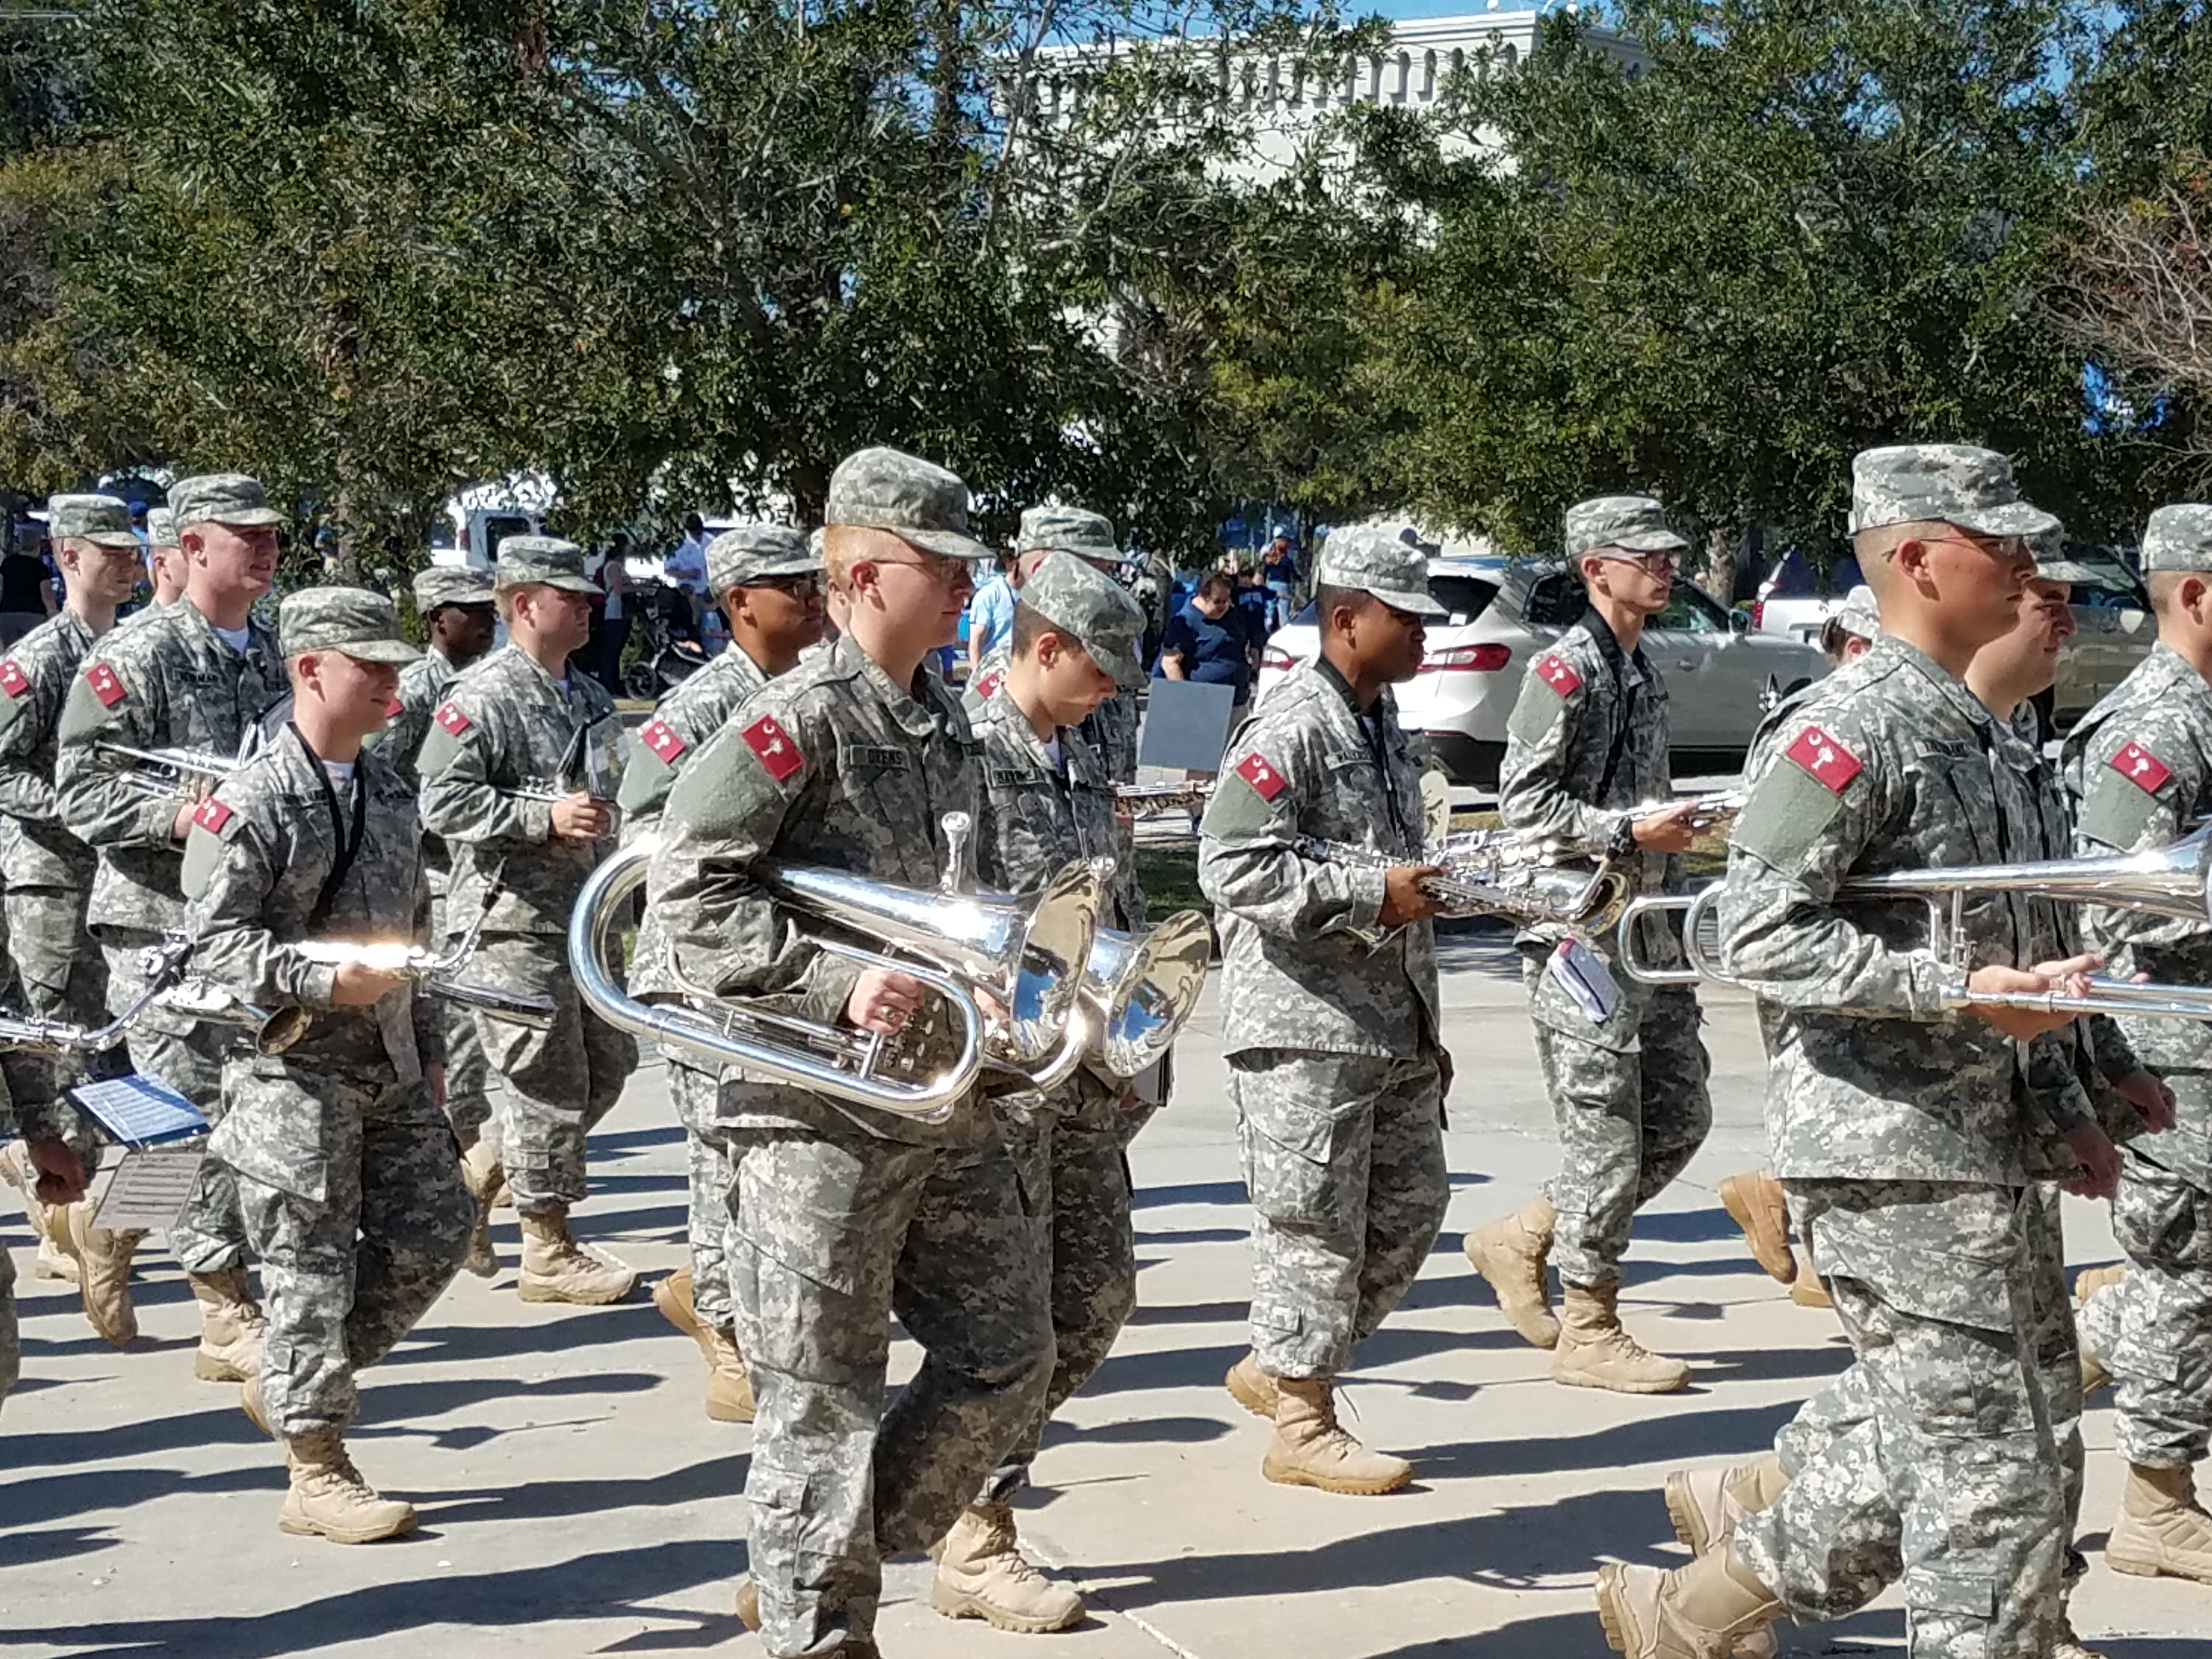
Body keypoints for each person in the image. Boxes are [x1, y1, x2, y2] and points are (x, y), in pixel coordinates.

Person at [1594, 444, 2099, 1659]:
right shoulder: (1848, 726)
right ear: (1918, 559)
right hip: (1891, 1154)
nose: (2026, 565)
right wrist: (1954, 994)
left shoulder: (1977, 732)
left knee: (2001, 1446)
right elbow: (1757, 928)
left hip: (1983, 1150)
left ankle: (1693, 1610)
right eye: (2000, 543)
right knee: (1988, 1489)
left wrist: (2077, 1096)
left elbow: (2008, 939)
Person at [651, 446, 1052, 1658]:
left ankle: (822, 1567)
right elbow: (686, 897)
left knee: (1007, 1357)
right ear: (868, 574)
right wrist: (835, 982)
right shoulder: (793, 722)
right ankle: (820, 1629)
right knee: (820, 1405)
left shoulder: (945, 718)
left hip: (932, 1096)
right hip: (808, 1115)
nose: (967, 588)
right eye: (944, 566)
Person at [182, 586, 472, 1542]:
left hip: (389, 1061)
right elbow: (211, 941)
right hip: (291, 1073)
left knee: (438, 1231)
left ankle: (295, 1379)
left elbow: (416, 935)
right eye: (370, 666)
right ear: (310, 669)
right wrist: (314, 977)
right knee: (306, 1269)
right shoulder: (253, 799)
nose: (393, 683)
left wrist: (429, 1051)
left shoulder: (390, 790)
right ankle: (316, 1466)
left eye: (395, 666)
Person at [1198, 523, 1451, 1497]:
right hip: (1303, 1024)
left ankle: (1282, 1363)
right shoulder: (1290, 725)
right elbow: (1230, 864)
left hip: (1389, 1021)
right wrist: (1369, 892)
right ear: (1346, 620)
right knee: (1313, 1228)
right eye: (1405, 616)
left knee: (1412, 1210)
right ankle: (1303, 1421)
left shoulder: (1380, 723)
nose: (1424, 632)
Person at [933, 552, 1152, 1632]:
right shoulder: (961, 748)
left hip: (1081, 1072)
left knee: (1097, 1299)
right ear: (1046, 646)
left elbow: (1112, 892)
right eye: (1098, 671)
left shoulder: (1082, 745)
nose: (1111, 693)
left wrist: (1138, 1021)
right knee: (1005, 1326)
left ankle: (938, 1493)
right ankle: (975, 1531)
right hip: (997, 1083)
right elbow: (927, 904)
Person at [1466, 494, 1711, 1393]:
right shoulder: (1565, 671)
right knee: (1605, 1129)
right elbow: (1525, 806)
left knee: (1678, 1117)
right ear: (1595, 569)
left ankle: (1526, 1233)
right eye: (1647, 557)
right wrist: (1628, 831)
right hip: (1581, 932)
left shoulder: (1638, 665)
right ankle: (1590, 1323)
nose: (1666, 569)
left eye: (1670, 556)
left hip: (1646, 929)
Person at [56, 472, 291, 1385]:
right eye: (245, 535)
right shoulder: (139, 653)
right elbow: (81, 790)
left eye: (271, 535)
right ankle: (225, 1310)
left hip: (248, 926)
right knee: (190, 1122)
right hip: (156, 926)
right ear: (191, 546)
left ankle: (113, 1222)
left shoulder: (276, 653)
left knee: (240, 1115)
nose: (265, 549)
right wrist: (179, 818)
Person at [618, 523, 825, 1424]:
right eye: (793, 588)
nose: (813, 601)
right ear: (740, 602)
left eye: (817, 586)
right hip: (703, 968)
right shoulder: (700, 708)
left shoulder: (821, 692)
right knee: (722, 1153)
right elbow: (641, 831)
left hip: (792, 963)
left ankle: (729, 1295)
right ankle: (729, 1336)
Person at [416, 534, 637, 1305]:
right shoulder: (479, 697)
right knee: (546, 1082)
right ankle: (546, 1246)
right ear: (523, 605)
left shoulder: (588, 696)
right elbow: (440, 801)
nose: (588, 608)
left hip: (585, 917)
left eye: (588, 597)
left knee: (610, 1066)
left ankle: (479, 1173)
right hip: (510, 920)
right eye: (570, 597)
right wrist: (541, 816)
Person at [2064, 502, 2212, 1589]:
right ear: (2196, 595)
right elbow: (2106, 906)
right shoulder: (2157, 727)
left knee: (2181, 1277)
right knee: (2188, 1268)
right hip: (2170, 1049)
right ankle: (2157, 1504)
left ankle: (2082, 1348)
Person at [0, 494, 149, 1343]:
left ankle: (101, 1228)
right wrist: (80, 805)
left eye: (133, 552)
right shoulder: (37, 661)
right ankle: (74, 1211)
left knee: (139, 1074)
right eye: (108, 552)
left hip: (128, 886)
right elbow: (3, 768)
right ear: (65, 556)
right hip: (53, 882)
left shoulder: (138, 651)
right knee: (68, 1059)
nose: (126, 564)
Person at [368, 565, 499, 1275]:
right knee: (455, 1038)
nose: (485, 621)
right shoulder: (415, 689)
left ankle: (472, 1177)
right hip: (434, 877)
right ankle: (462, 1181)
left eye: (488, 610)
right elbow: (383, 779)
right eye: (470, 611)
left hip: (468, 874)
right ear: (437, 618)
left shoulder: (483, 682)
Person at [1159, 571, 1256, 721]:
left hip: (1237, 701)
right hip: (1205, 704)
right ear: (1203, 596)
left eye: (1226, 601)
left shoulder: (1232, 615)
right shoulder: (1185, 622)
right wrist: (1185, 700)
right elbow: (1170, 663)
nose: (1223, 606)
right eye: (1217, 601)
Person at [590, 534, 634, 695]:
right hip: (615, 612)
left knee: (616, 650)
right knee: (612, 649)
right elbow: (618, 589)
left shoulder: (616, 566)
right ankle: (607, 683)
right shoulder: (614, 566)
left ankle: (614, 683)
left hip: (619, 613)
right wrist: (639, 589)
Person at [967, 552, 1017, 680]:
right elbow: (975, 643)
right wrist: (977, 681)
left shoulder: (1038, 595)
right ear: (1008, 561)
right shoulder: (988, 596)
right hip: (993, 675)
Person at [0, 531, 57, 645]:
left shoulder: (7, 563)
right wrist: (53, 613)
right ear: (37, 547)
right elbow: (47, 594)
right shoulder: (40, 567)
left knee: (9, 649)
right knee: (33, 648)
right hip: (34, 615)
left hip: (8, 613)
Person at [664, 512, 709, 636]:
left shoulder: (710, 541)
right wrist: (685, 574)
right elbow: (667, 570)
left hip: (709, 592)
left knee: (710, 626)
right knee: (694, 624)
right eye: (695, 533)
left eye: (699, 532)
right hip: (689, 592)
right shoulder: (679, 546)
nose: (698, 536)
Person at [1262, 526, 1301, 631]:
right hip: (1284, 586)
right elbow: (1294, 574)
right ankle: (1284, 632)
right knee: (1284, 613)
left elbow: (1264, 573)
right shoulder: (1287, 560)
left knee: (1269, 611)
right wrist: (1301, 578)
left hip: (1271, 585)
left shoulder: (1270, 559)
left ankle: (1267, 630)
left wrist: (1262, 584)